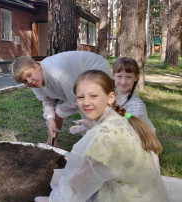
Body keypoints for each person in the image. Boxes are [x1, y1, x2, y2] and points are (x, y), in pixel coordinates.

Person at [35, 70, 167, 202]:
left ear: (110, 97)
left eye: (93, 96)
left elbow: (78, 184)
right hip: (145, 192)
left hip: (128, 197)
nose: (86, 102)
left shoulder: (103, 136)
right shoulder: (118, 119)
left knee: (60, 179)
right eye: (80, 97)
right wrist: (91, 126)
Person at [11, 51, 111, 146]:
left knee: (92, 109)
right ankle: (52, 142)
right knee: (56, 113)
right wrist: (50, 118)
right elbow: (47, 100)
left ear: (37, 66)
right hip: (74, 82)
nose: (29, 81)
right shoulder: (34, 82)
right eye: (24, 81)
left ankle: (106, 138)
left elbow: (76, 100)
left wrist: (58, 112)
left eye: (29, 75)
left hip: (94, 67)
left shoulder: (58, 75)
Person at [70, 57, 156, 135]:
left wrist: (92, 128)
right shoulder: (108, 94)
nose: (123, 81)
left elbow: (126, 133)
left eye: (129, 77)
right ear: (113, 75)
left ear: (136, 78)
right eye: (119, 76)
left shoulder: (136, 106)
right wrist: (84, 128)